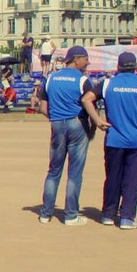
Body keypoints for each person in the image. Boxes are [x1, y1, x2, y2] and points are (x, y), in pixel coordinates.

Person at [82, 52, 137, 229]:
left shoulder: (107, 84)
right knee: (132, 179)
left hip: (113, 139)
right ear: (135, 67)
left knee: (112, 177)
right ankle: (127, 217)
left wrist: (97, 120)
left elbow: (86, 99)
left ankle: (108, 215)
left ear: (119, 67)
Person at [38, 46, 95, 225]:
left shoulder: (50, 79)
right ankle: (71, 215)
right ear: (76, 59)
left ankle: (46, 213)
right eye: (85, 59)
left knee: (54, 171)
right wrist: (94, 126)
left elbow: (42, 108)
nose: (88, 62)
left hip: (57, 123)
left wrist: (56, 119)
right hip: (77, 123)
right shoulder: (84, 80)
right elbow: (89, 104)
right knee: (75, 173)